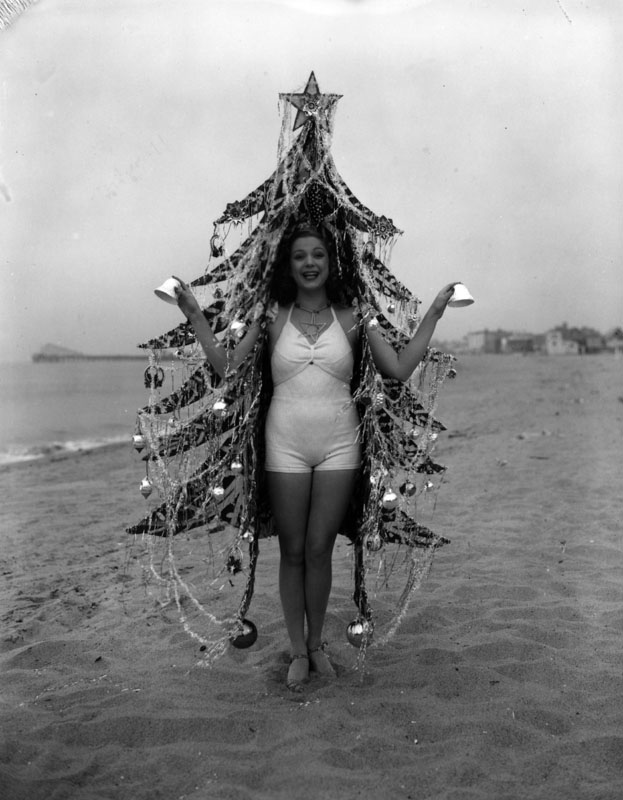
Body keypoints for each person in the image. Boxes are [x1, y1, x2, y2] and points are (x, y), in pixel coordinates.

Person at [173, 227, 455, 691]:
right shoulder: (272, 316)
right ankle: (297, 651)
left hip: (340, 445)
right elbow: (227, 368)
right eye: (300, 255)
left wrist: (435, 313)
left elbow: (400, 368)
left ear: (330, 261)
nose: (309, 262)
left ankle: (318, 643)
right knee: (294, 550)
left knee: (321, 549)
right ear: (289, 264)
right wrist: (192, 314)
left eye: (318, 254)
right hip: (284, 444)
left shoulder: (354, 317)